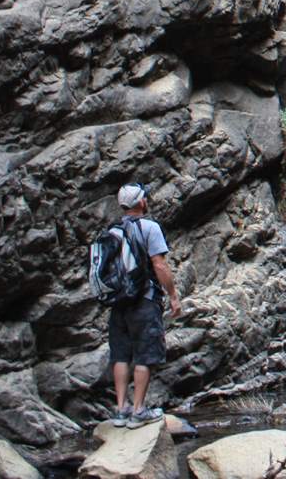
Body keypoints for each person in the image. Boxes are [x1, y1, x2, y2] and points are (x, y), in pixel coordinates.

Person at [109, 182, 181, 426]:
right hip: (144, 300)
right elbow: (159, 264)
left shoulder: (112, 231)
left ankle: (121, 410)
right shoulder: (150, 228)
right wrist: (173, 295)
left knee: (120, 354)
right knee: (144, 355)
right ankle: (138, 410)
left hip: (119, 301)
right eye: (145, 197)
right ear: (141, 202)